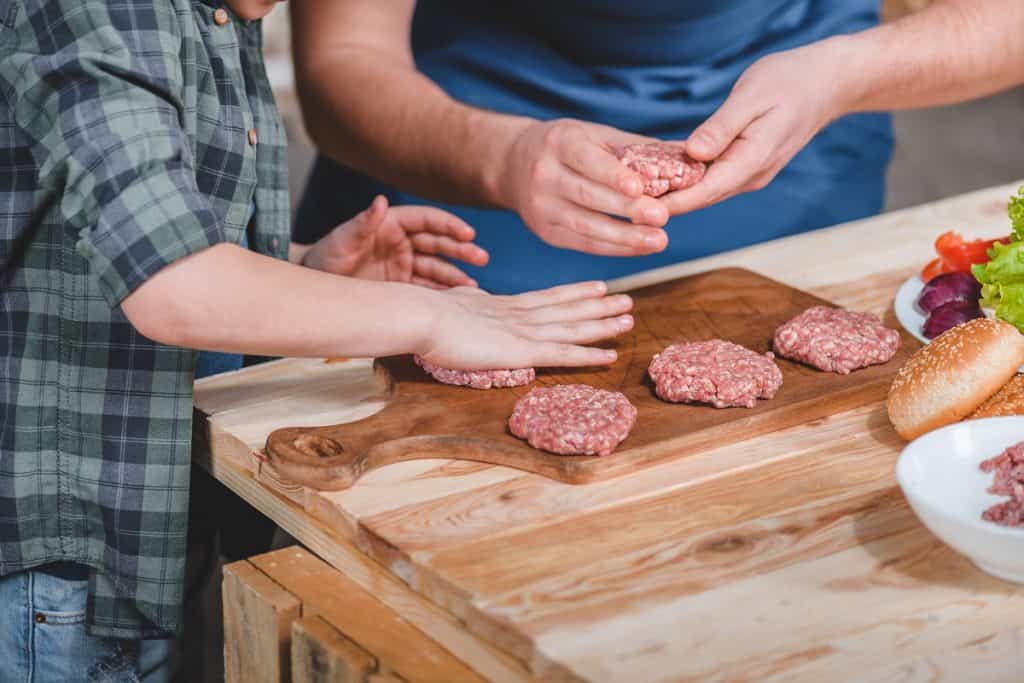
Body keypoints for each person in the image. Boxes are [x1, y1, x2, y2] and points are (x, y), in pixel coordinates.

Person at [0, 0, 634, 679]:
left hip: (160, 525)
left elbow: (140, 236)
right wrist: (430, 317)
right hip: (72, 568)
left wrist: (309, 271)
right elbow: (173, 283)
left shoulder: (225, 19)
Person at [291, 0, 1024, 294]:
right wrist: (499, 157)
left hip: (800, 128)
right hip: (464, 166)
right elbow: (342, 60)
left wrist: (845, 72)